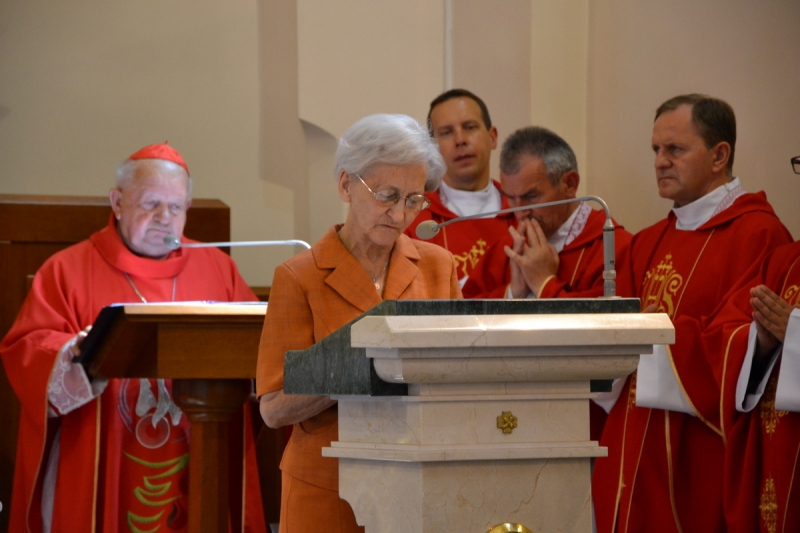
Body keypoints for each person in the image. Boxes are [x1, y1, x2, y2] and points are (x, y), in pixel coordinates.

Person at [0, 143, 266, 533]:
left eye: (175, 207)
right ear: (117, 202)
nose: (164, 218)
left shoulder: (218, 268)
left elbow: (259, 349)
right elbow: (27, 348)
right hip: (104, 455)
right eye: (150, 204)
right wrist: (74, 352)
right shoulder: (67, 270)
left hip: (199, 450)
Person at [592, 94, 793, 533]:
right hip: (631, 443)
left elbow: (742, 344)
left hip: (696, 453)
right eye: (656, 150)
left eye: (675, 149)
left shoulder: (758, 234)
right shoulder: (647, 242)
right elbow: (613, 342)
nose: (660, 162)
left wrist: (648, 336)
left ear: (719, 155)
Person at [257, 114, 461, 533]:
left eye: (413, 200)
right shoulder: (299, 277)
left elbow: (460, 373)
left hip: (420, 477)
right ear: (345, 185)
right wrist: (359, 368)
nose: (399, 214)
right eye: (387, 195)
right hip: (327, 487)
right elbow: (273, 407)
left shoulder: (438, 267)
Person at [462, 126, 633, 300]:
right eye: (511, 198)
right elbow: (460, 311)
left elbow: (611, 316)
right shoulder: (507, 249)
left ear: (570, 184)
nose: (519, 214)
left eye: (531, 196)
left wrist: (544, 284)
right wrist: (512, 293)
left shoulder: (614, 248)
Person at [405, 89, 515, 289]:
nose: (460, 140)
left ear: (492, 137)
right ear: (432, 149)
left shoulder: (523, 211)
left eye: (470, 127)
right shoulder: (413, 219)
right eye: (446, 132)